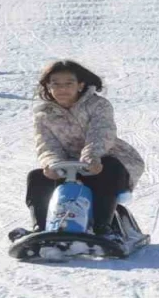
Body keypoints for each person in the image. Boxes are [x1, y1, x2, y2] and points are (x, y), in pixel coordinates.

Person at [22, 60, 145, 240]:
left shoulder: (98, 105)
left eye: (68, 83)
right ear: (48, 87)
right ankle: (41, 229)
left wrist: (92, 158)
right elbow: (46, 145)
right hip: (68, 166)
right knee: (37, 176)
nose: (62, 89)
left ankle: (104, 228)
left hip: (106, 161)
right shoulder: (44, 115)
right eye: (55, 84)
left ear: (80, 85)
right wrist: (52, 165)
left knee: (108, 167)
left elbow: (101, 133)